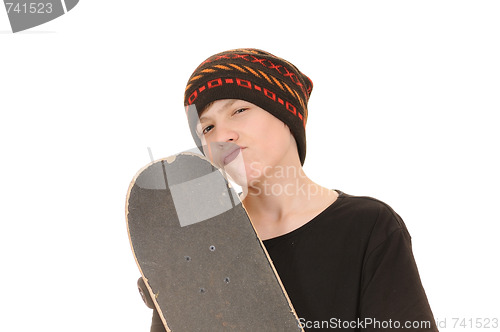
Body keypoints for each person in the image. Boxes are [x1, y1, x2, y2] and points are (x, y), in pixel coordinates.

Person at [137, 48, 438, 331]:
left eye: (239, 110)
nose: (223, 135)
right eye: (207, 128)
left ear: (285, 116)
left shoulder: (368, 227)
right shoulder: (198, 245)